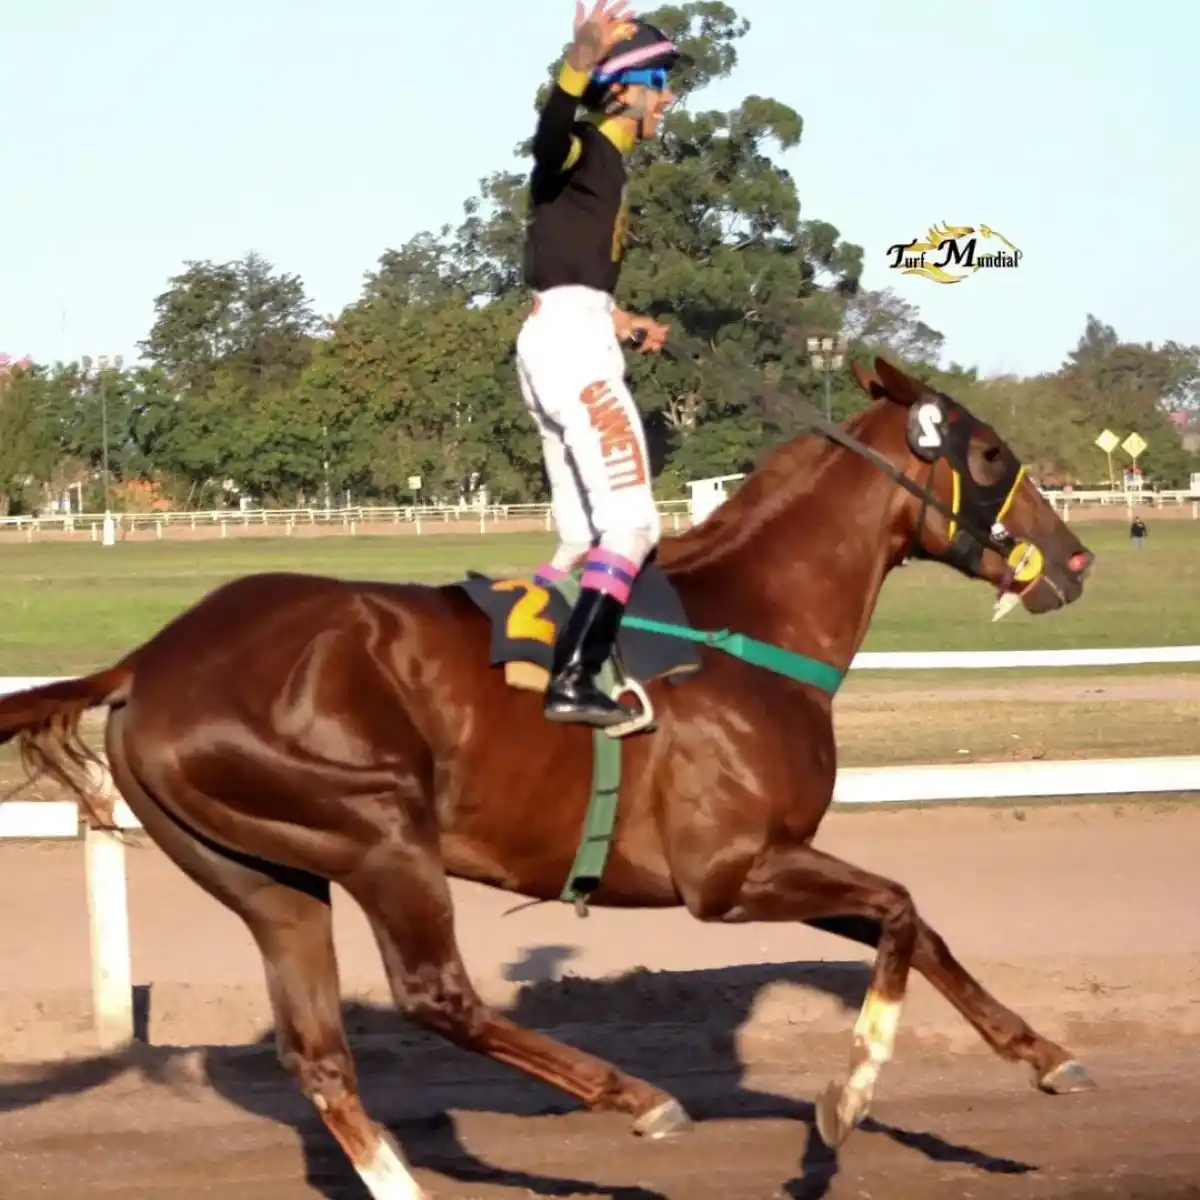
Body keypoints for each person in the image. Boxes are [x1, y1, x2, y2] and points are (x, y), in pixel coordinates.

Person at [515, 0, 682, 728]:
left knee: (584, 536)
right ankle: (576, 677)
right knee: (635, 524)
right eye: (660, 83)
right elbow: (548, 140)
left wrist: (623, 319)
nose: (668, 98)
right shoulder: (582, 144)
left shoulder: (607, 169)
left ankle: (519, 654)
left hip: (565, 333)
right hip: (572, 349)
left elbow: (562, 269)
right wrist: (577, 64)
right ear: (628, 87)